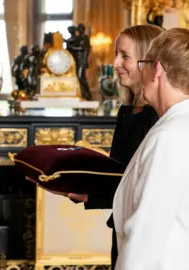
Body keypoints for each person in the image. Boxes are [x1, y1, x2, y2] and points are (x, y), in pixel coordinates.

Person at [113, 28, 189, 269]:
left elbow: (146, 233)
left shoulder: (171, 137)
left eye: (144, 64)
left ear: (158, 69)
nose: (142, 72)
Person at [62, 24, 163, 268]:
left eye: (124, 56)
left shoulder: (158, 118)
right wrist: (85, 194)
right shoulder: (127, 112)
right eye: (116, 54)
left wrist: (91, 195)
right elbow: (121, 178)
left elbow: (147, 192)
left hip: (146, 240)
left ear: (148, 61)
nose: (116, 63)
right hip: (122, 229)